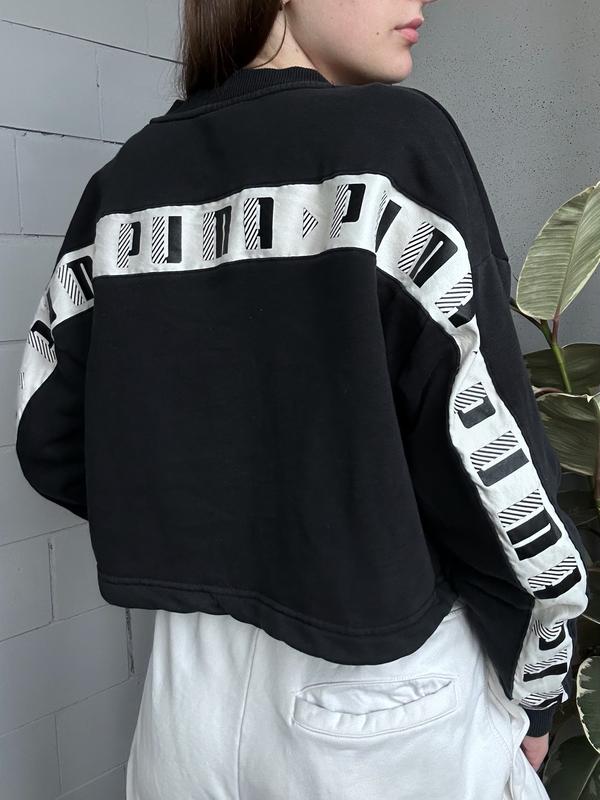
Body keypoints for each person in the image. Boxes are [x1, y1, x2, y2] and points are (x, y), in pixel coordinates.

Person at [14, 0, 589, 798]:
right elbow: (492, 460)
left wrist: (204, 526)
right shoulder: (392, 141)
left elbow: (48, 434)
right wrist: (536, 689)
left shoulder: (128, 178)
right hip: (383, 705)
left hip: (183, 705)